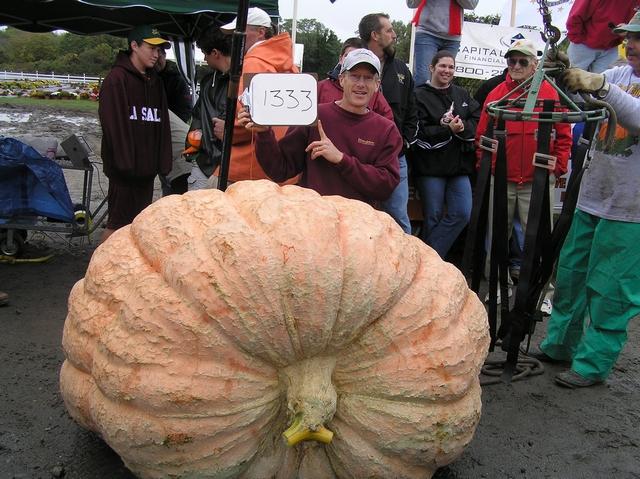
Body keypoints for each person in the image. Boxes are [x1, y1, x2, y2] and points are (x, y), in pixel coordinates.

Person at [531, 12, 640, 388]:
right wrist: (566, 74)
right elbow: (583, 98)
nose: (632, 45)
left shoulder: (615, 81)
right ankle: (560, 344)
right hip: (593, 198)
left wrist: (600, 86)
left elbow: (634, 115)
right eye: (631, 38)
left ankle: (592, 364)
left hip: (630, 211)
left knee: (612, 289)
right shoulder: (620, 74)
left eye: (638, 39)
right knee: (571, 276)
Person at [238, 48, 402, 206]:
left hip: (359, 222)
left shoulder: (386, 130)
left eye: (368, 78)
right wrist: (264, 134)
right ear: (342, 79)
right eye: (354, 76)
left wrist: (341, 159)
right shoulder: (313, 115)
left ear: (377, 84)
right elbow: (280, 170)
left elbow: (385, 187)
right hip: (314, 217)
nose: (361, 84)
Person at [475, 39, 572, 300]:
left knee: (540, 239)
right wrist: (488, 169)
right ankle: (497, 287)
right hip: (502, 179)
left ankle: (542, 295)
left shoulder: (550, 93)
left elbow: (564, 135)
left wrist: (558, 167)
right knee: (497, 238)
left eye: (522, 61)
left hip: (536, 180)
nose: (516, 66)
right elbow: (481, 137)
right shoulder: (496, 95)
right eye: (512, 60)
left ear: (534, 65)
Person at [98, 24, 172, 242]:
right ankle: (98, 263)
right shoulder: (116, 80)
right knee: (116, 227)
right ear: (134, 46)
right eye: (151, 48)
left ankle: (125, 264)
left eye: (159, 50)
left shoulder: (155, 82)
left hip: (147, 171)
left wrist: (161, 161)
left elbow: (162, 124)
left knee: (136, 226)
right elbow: (113, 127)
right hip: (125, 172)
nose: (156, 54)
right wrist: (125, 164)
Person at [411, 50, 480, 259]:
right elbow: (418, 131)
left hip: (458, 167)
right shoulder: (418, 95)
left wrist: (462, 126)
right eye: (442, 66)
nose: (447, 70)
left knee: (462, 213)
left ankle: (427, 259)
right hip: (431, 168)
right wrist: (445, 129)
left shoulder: (462, 94)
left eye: (451, 67)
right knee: (432, 217)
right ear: (431, 67)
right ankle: (432, 266)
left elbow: (477, 120)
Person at [218, 7, 298, 184]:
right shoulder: (291, 67)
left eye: (240, 31)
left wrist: (225, 130)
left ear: (261, 32)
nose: (234, 38)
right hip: (283, 168)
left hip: (248, 169)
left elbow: (246, 120)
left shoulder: (253, 63)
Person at [359, 13, 418, 234]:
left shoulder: (402, 70)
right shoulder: (352, 65)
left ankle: (406, 258)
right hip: (359, 155)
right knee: (358, 216)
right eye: (389, 30)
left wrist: (405, 142)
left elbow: (412, 110)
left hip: (394, 157)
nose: (394, 35)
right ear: (375, 35)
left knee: (399, 219)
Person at [185, 25, 231, 190]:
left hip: (231, 168)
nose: (204, 59)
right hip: (203, 166)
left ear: (215, 53)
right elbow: (197, 118)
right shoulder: (206, 82)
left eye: (205, 53)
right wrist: (191, 148)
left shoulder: (243, 81)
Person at [317, 37, 394, 122]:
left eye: (367, 78)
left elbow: (387, 121)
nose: (361, 84)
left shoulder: (374, 94)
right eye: (348, 56)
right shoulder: (320, 88)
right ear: (341, 58)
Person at [406, 0, 478, 87]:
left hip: (453, 37)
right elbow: (411, 3)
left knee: (444, 80)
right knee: (423, 78)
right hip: (427, 32)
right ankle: (420, 96)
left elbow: (472, 4)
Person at [155, 46, 193, 195]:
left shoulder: (177, 79)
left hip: (173, 135)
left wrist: (168, 121)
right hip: (159, 136)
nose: (156, 60)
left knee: (175, 181)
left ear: (164, 56)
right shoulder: (150, 76)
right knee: (165, 177)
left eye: (159, 56)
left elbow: (186, 109)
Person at [566, 0, 639, 73]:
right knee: (573, 77)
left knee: (600, 78)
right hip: (583, 45)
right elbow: (575, 15)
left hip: (611, 48)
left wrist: (626, 31)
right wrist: (577, 39)